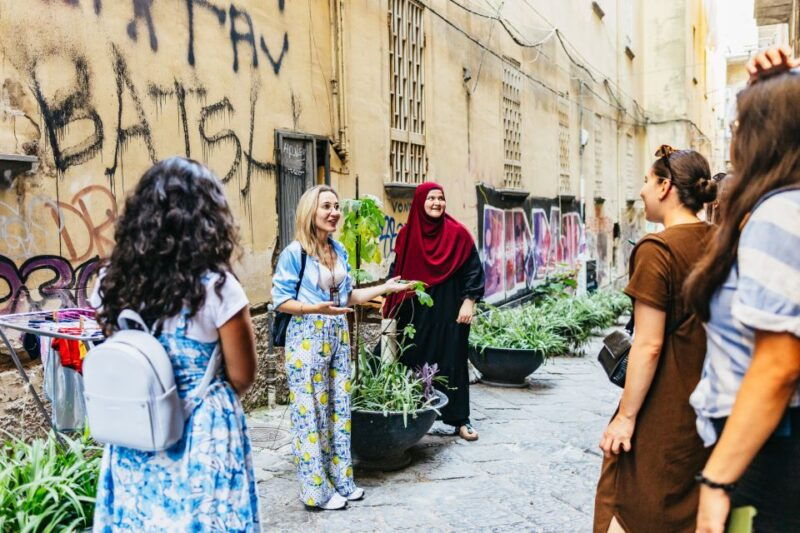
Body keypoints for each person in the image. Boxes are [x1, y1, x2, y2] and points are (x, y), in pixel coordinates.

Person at [91, 157, 261, 530]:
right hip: (203, 433)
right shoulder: (218, 288)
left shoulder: (111, 283)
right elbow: (243, 376)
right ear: (209, 220)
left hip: (136, 430)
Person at [686, 47, 800, 533]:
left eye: (739, 125)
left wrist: (716, 481)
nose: (732, 136)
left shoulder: (780, 215)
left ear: (763, 136)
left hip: (770, 453)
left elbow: (779, 363)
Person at [594, 146, 718, 533]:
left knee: (625, 503)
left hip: (662, 407)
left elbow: (648, 344)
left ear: (666, 186)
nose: (643, 190)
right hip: (706, 405)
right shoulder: (718, 239)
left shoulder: (657, 249)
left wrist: (626, 419)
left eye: (647, 181)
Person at [272, 185, 411, 511]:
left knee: (338, 411)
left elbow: (347, 297)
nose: (334, 212)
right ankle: (315, 491)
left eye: (336, 206)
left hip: (337, 336)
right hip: (306, 337)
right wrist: (315, 309)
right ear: (311, 212)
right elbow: (280, 301)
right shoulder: (295, 253)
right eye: (326, 207)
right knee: (310, 416)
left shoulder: (339, 250)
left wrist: (385, 287)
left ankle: (341, 480)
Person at [382, 182, 485, 441]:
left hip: (451, 311)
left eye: (441, 198)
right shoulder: (407, 235)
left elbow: (474, 270)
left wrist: (469, 301)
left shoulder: (458, 234)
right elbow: (398, 270)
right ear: (420, 202)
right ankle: (414, 415)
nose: (437, 203)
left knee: (453, 362)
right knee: (413, 360)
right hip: (416, 313)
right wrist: (387, 296)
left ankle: (460, 419)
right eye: (431, 198)